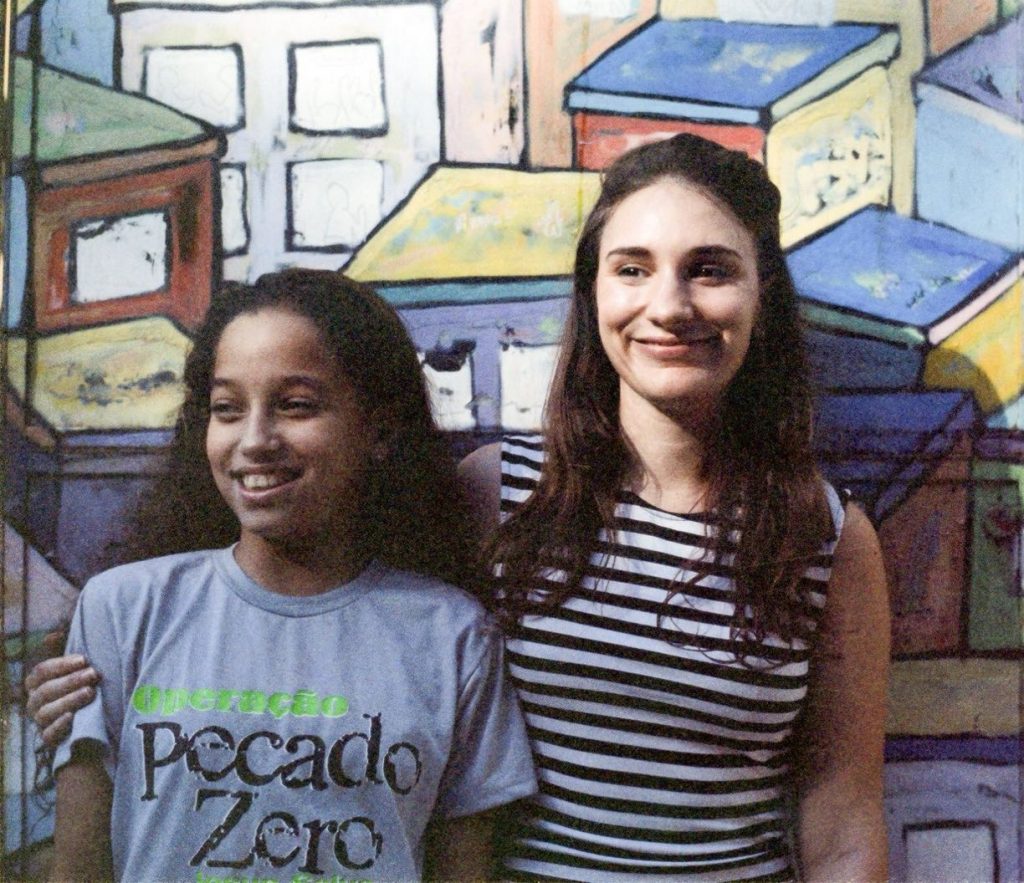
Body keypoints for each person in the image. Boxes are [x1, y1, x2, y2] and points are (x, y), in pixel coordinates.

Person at [29, 134, 890, 882]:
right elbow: (315, 614)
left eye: (710, 269)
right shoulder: (500, 493)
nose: (668, 304)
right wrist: (99, 683)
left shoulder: (826, 535)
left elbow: (842, 823)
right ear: (594, 293)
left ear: (762, 294)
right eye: (632, 268)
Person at [40, 269, 537, 882]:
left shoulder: (454, 637)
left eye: (296, 405)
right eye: (227, 409)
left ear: (379, 430)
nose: (254, 440)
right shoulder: (123, 610)